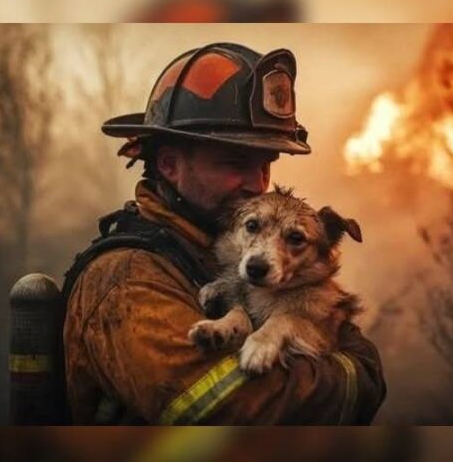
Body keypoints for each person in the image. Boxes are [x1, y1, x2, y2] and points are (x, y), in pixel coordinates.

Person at [63, 42, 386, 425]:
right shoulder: (124, 279)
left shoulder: (209, 252)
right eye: (235, 163)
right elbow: (229, 410)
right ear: (169, 164)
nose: (257, 184)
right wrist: (357, 370)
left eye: (265, 165)